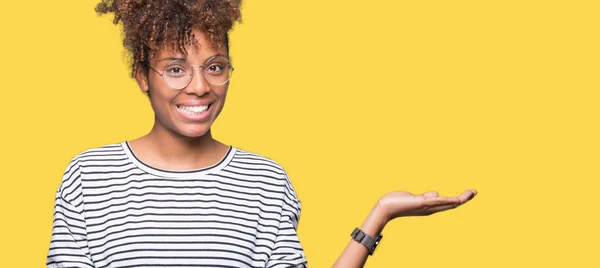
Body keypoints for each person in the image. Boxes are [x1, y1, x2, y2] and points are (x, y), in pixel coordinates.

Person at [47, 0, 477, 267]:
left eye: (215, 67)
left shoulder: (265, 181)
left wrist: (378, 216)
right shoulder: (91, 175)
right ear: (142, 76)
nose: (199, 86)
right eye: (175, 68)